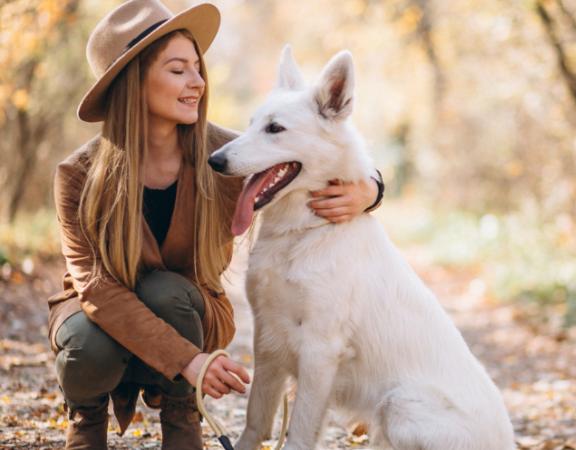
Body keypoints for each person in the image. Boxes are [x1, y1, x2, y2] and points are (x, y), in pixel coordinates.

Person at [48, 1, 384, 449]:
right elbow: (97, 289)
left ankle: (182, 413)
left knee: (166, 291)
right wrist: (189, 360)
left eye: (197, 67)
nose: (198, 82)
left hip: (188, 310)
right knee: (85, 342)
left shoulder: (228, 156)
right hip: (101, 319)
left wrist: (371, 189)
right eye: (178, 70)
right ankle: (86, 419)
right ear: (133, 82)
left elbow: (317, 151)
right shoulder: (77, 176)